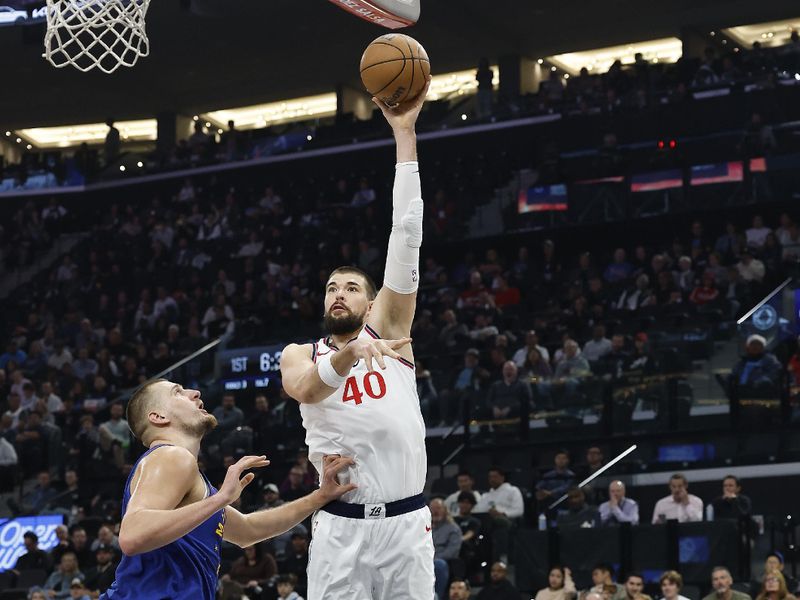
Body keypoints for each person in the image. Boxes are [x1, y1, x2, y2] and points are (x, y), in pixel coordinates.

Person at [278, 77, 433, 600]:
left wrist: (404, 134)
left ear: (370, 303)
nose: (338, 293)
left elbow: (406, 233)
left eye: (350, 287)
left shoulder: (390, 330)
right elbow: (304, 390)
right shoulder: (301, 353)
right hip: (339, 528)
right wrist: (349, 354)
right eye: (330, 288)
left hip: (406, 525)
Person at [98, 379, 355, 599]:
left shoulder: (186, 478)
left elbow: (248, 531)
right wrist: (221, 498)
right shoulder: (171, 457)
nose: (194, 393)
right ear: (158, 417)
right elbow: (133, 535)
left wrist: (320, 496)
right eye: (178, 392)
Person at [474, 467, 524, 562]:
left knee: (497, 522)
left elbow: (519, 510)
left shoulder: (512, 491)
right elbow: (478, 510)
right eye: (490, 477)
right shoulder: (487, 495)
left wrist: (502, 513)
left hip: (506, 522)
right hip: (488, 522)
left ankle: (502, 559)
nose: (492, 479)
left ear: (502, 477)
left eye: (495, 476)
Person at [430, 498, 462, 600]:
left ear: (445, 510)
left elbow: (453, 550)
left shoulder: (453, 528)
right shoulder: (424, 527)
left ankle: (436, 597)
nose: (435, 511)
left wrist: (433, 559)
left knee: (439, 564)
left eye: (438, 508)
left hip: (443, 562)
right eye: (433, 509)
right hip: (425, 560)